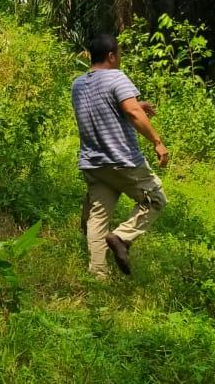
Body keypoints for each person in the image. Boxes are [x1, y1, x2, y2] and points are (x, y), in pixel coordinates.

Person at [71, 33, 168, 278]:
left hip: (94, 163)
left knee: (98, 217)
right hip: (122, 161)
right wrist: (157, 142)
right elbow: (132, 112)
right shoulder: (117, 77)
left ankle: (98, 277)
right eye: (119, 54)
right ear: (112, 56)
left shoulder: (78, 84)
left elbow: (107, 107)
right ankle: (122, 237)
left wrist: (137, 103)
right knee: (155, 199)